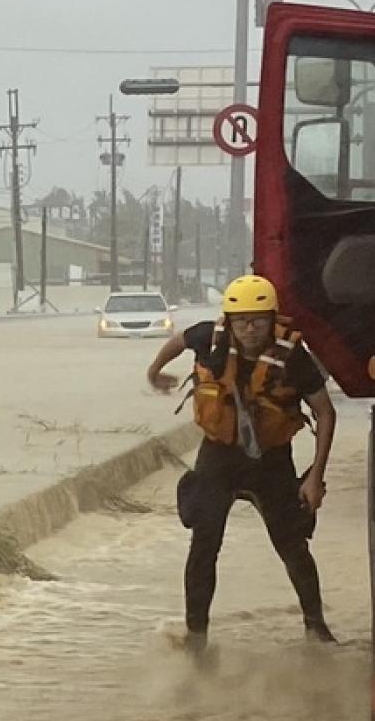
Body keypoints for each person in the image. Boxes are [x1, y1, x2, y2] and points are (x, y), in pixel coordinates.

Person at [145, 274, 338, 654]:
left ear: (272, 319)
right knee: (204, 544)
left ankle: (316, 629)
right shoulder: (209, 337)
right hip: (219, 455)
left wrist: (315, 478)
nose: (250, 329)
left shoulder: (293, 357)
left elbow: (325, 412)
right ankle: (196, 638)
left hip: (270, 461)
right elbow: (179, 340)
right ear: (229, 322)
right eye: (241, 321)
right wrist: (154, 370)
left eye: (259, 320)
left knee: (292, 545)